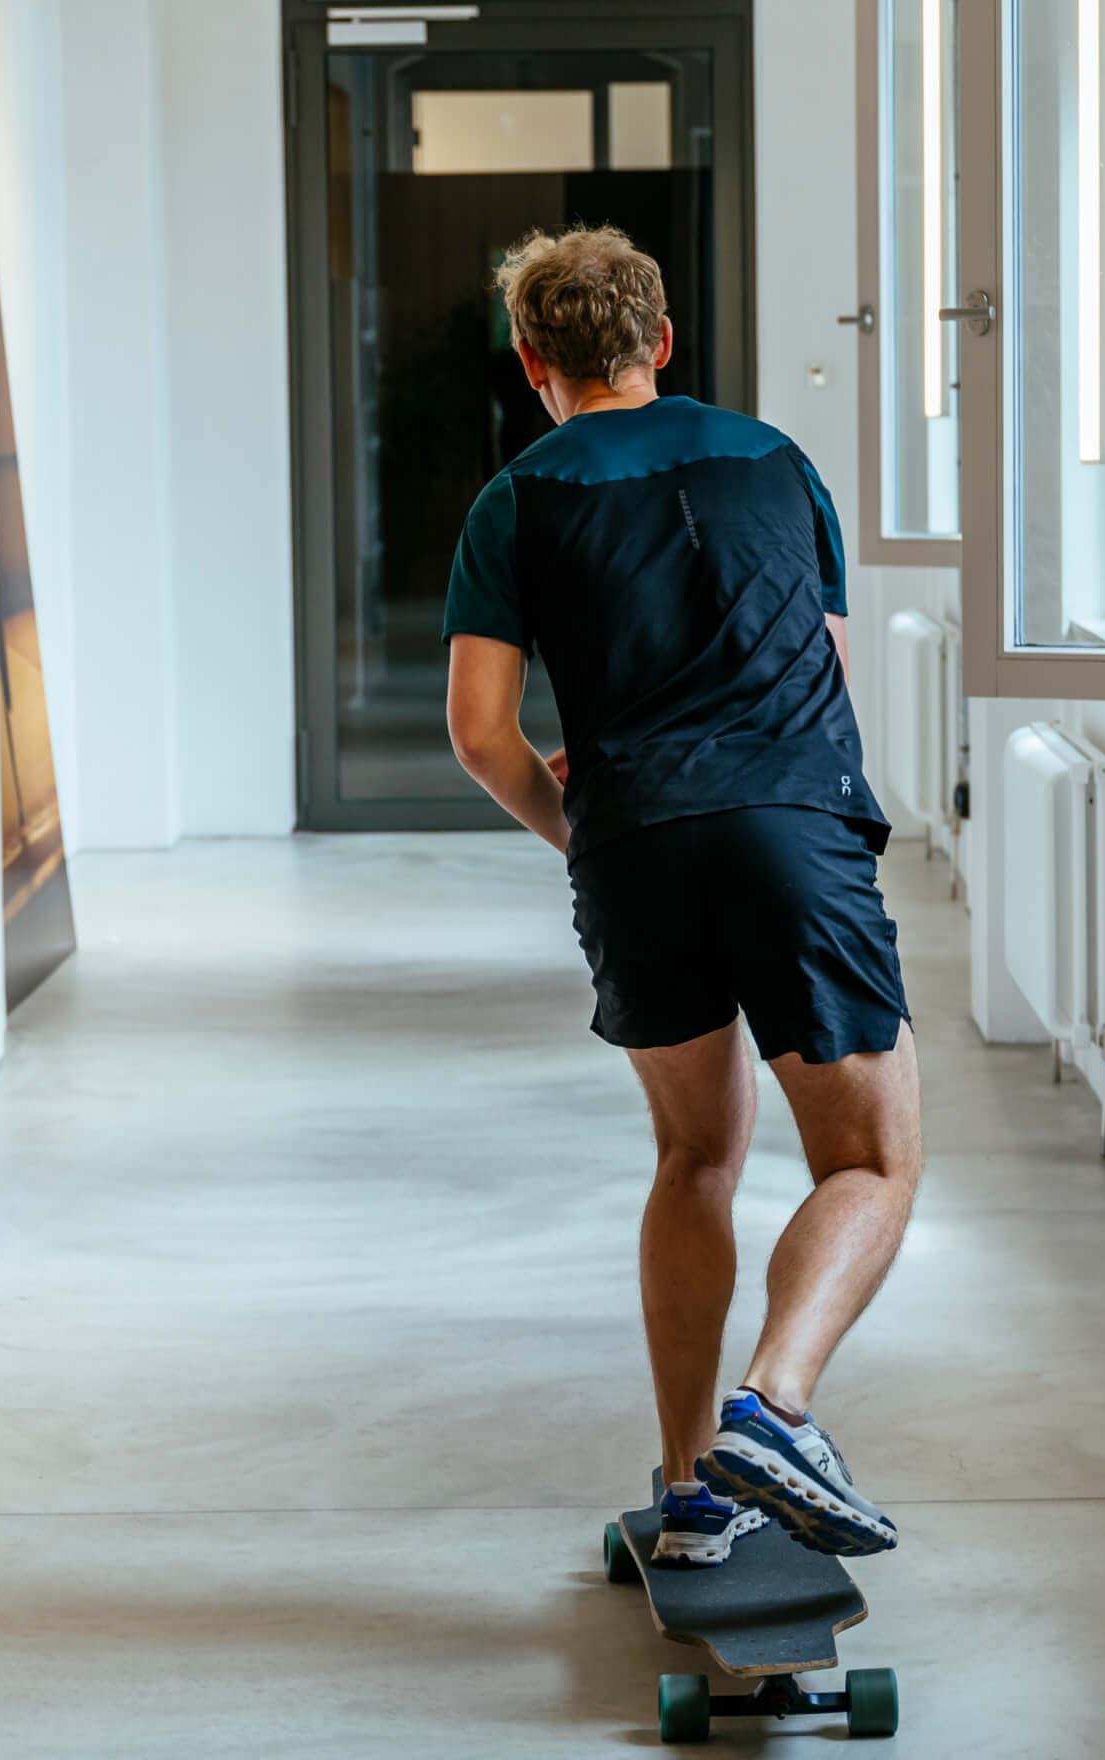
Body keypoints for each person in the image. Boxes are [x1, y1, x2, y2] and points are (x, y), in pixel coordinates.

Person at [442, 225, 921, 1568]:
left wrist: (577, 832)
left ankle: (692, 1492)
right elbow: (821, 657)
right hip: (793, 830)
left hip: (636, 845)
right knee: (869, 1159)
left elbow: (482, 733)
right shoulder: (776, 461)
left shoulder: (515, 499)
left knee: (696, 1158)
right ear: (660, 343)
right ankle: (772, 1408)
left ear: (534, 364)